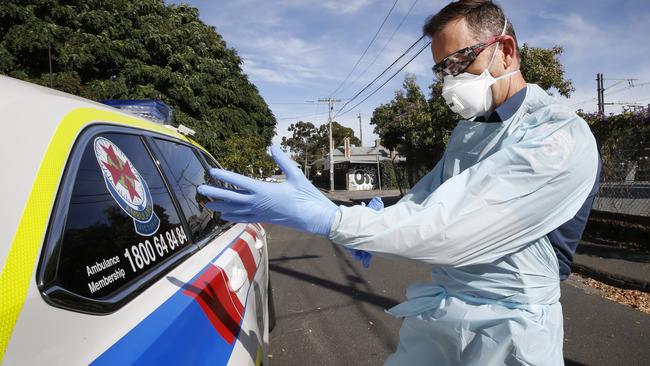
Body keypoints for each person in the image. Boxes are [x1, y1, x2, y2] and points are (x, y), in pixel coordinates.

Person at [198, 0, 601, 364]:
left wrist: (333, 221)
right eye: (441, 69)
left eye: (459, 62)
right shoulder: (470, 131)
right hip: (440, 318)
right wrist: (368, 217)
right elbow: (426, 200)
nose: (449, 80)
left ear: (506, 50)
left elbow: (452, 226)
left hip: (510, 332)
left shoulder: (558, 136)